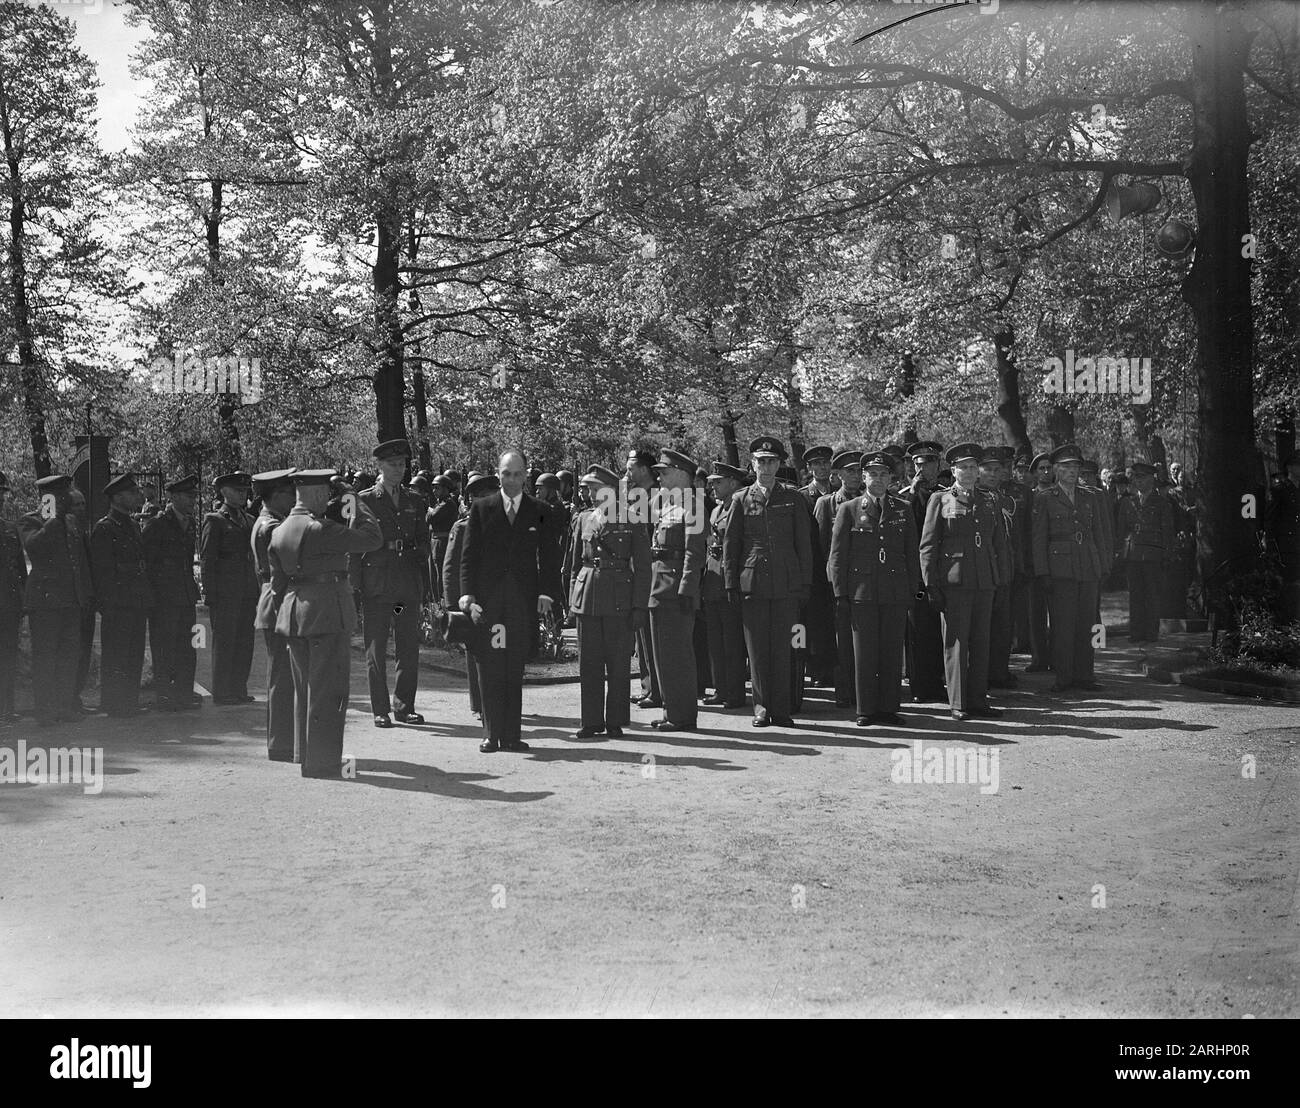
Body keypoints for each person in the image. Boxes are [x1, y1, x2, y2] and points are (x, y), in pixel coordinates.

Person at [270, 469, 382, 778]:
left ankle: (304, 754)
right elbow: (373, 538)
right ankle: (323, 762)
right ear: (318, 493)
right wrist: (354, 498)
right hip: (326, 613)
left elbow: (278, 585)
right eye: (327, 494)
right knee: (329, 690)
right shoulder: (321, 529)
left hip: (294, 614)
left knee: (305, 688)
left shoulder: (280, 529)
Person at [460, 449, 563, 753]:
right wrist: (467, 595)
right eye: (506, 474)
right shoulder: (482, 508)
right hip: (489, 602)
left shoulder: (539, 510)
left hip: (522, 600)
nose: (512, 480)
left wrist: (546, 593)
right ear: (498, 474)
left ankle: (512, 736)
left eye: (518, 474)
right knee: (490, 664)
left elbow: (550, 554)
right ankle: (491, 734)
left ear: (526, 475)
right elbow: (468, 556)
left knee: (514, 666)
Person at [723, 435, 813, 728]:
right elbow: (731, 545)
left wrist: (805, 582)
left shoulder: (793, 498)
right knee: (758, 650)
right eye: (761, 462)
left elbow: (803, 544)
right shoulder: (741, 499)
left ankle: (782, 709)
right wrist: (730, 583)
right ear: (752, 464)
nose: (766, 467)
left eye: (771, 462)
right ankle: (761, 707)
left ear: (779, 464)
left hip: (786, 583)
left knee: (783, 648)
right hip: (753, 584)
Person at [828, 450, 918, 726]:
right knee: (864, 653)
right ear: (864, 477)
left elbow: (911, 553)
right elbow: (837, 555)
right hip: (862, 592)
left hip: (894, 590)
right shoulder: (850, 509)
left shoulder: (903, 508)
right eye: (872, 474)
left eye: (883, 474)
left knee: (891, 651)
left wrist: (912, 590)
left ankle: (888, 708)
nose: (878, 479)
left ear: (891, 478)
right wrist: (840, 593)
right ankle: (866, 709)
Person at [919, 443, 1008, 721]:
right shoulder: (941, 499)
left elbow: (999, 543)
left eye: (972, 467)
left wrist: (1001, 578)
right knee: (956, 642)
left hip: (984, 579)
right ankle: (958, 702)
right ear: (953, 471)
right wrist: (931, 585)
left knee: (981, 641)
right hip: (955, 581)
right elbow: (928, 546)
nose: (968, 472)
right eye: (963, 467)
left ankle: (978, 699)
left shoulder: (989, 500)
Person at [568, 464, 652, 738]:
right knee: (589, 663)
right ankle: (591, 721)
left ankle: (615, 721)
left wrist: (639, 606)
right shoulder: (584, 519)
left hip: (619, 597)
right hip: (588, 596)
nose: (591, 495)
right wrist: (573, 600)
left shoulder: (632, 519)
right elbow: (574, 565)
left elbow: (643, 568)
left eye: (596, 489)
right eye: (589, 490)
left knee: (618, 664)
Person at [352, 439, 430, 728]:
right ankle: (380, 709)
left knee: (407, 645)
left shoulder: (414, 500)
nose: (399, 469)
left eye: (402, 464)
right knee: (376, 647)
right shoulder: (364, 500)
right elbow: (353, 546)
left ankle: (404, 706)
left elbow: (424, 538)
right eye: (393, 464)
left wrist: (419, 554)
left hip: (404, 587)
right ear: (380, 466)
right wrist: (354, 586)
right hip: (377, 585)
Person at [1032, 443, 1108, 694]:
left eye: (1075, 466)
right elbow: (1039, 538)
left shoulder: (1091, 496)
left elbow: (1100, 533)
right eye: (1066, 467)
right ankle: (1063, 677)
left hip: (1088, 564)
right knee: (1063, 625)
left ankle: (1085, 675)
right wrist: (1043, 572)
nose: (1073, 471)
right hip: (1060, 568)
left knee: (1088, 623)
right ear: (1056, 470)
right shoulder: (1045, 498)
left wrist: (1103, 566)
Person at [18, 474, 92, 726]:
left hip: (69, 600)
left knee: (68, 657)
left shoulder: (69, 522)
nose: (63, 500)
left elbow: (78, 561)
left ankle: (64, 707)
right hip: (45, 602)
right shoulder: (31, 520)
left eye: (64, 495)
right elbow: (34, 547)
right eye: (58, 496)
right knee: (46, 657)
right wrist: (53, 519)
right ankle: (45, 711)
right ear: (46, 498)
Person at [645, 449, 708, 732]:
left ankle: (682, 715)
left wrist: (686, 590)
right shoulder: (667, 505)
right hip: (658, 586)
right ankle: (671, 710)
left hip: (676, 589)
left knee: (678, 655)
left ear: (682, 475)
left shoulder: (693, 506)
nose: (659, 477)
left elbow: (694, 553)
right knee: (662, 654)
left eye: (664, 472)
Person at [89, 473, 153, 717]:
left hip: (136, 600)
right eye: (131, 493)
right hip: (118, 603)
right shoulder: (105, 528)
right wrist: (108, 605)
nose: (137, 496)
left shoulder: (133, 525)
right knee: (117, 654)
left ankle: (129, 701)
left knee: (134, 652)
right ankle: (114, 704)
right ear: (117, 497)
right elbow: (102, 572)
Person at [143, 475, 202, 711]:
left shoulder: (189, 523)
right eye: (188, 497)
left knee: (187, 646)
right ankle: (165, 695)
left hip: (185, 595)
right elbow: (148, 562)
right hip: (164, 597)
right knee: (164, 646)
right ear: (174, 497)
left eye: (194, 497)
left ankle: (184, 693)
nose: (193, 501)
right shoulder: (157, 524)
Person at [250, 468, 298, 761]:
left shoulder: (268, 522)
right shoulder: (271, 527)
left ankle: (283, 740)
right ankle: (280, 743)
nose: (294, 498)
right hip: (277, 601)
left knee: (282, 674)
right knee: (282, 676)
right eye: (290, 493)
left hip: (273, 599)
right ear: (277, 495)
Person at [200, 471, 259, 705]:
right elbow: (208, 558)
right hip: (225, 591)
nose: (242, 495)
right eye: (237, 491)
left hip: (247, 589)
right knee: (225, 641)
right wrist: (210, 592)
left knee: (244, 641)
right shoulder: (215, 520)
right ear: (224, 492)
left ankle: (239, 688)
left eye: (245, 491)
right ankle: (223, 691)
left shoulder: (249, 519)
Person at [445, 471, 499, 720]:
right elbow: (450, 567)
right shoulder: (462, 527)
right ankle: (479, 704)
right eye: (485, 496)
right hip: (471, 599)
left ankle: (497, 701)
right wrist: (451, 603)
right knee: (475, 649)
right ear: (474, 499)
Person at [814, 449, 863, 707]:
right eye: (849, 471)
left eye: (858, 471)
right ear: (839, 475)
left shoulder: (871, 500)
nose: (855, 475)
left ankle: (866, 690)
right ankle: (845, 691)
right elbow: (821, 547)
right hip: (839, 583)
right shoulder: (827, 504)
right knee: (842, 639)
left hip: (866, 580)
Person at [902, 440, 946, 702]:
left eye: (929, 463)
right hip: (916, 576)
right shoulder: (904, 495)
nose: (923, 469)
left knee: (940, 631)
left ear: (938, 466)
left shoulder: (946, 493)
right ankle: (920, 685)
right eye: (918, 464)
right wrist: (912, 493)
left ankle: (939, 682)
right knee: (918, 630)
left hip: (942, 571)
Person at [702, 462, 748, 709]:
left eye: (718, 482)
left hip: (730, 580)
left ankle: (735, 692)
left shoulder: (740, 507)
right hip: (713, 579)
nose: (713, 487)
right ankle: (720, 688)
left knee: (732, 641)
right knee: (716, 641)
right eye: (712, 483)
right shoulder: (716, 510)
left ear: (732, 483)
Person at [1118, 460, 1176, 644]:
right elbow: (1121, 530)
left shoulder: (1161, 503)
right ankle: (1136, 632)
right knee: (1135, 594)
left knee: (1152, 594)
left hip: (1153, 554)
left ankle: (1151, 632)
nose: (1139, 481)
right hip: (1133, 554)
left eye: (1142, 477)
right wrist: (1119, 552)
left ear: (1151, 479)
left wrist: (1167, 554)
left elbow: (1167, 531)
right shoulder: (1127, 502)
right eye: (1136, 478)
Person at [624, 447, 662, 708]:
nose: (627, 472)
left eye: (631, 467)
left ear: (645, 469)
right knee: (641, 634)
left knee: (650, 634)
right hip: (635, 571)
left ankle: (658, 689)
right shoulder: (634, 496)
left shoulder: (657, 497)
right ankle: (648, 685)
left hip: (650, 571)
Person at [979, 447, 1018, 689]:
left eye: (997, 469)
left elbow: (1015, 537)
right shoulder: (972, 498)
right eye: (988, 470)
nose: (993, 474)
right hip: (982, 570)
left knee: (1004, 626)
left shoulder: (1007, 499)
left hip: (1005, 569)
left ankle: (1000, 671)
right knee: (983, 627)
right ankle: (982, 674)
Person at [67, 486, 97, 713]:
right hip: (72, 603)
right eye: (75, 504)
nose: (80, 509)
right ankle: (68, 700)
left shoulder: (83, 531)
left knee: (84, 652)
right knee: (72, 653)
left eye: (82, 504)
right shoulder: (65, 532)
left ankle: (75, 698)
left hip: (86, 602)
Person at [1025, 450, 1055, 674]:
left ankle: (1058, 656)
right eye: (1041, 468)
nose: (1045, 472)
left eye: (1048, 468)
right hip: (1033, 562)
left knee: (1058, 613)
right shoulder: (1029, 496)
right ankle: (1038, 658)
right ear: (1035, 473)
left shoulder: (1060, 494)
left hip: (1056, 560)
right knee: (1036, 613)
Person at [0, 472, 26, 723]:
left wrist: (23, 599)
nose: (0, 499)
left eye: (1, 494)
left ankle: (6, 708)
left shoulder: (10, 528)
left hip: (8, 603)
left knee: (7, 656)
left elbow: (19, 568)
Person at [1266, 453, 1300, 621]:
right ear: (1290, 468)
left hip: (1297, 541)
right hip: (1286, 543)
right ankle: (1285, 618)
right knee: (1288, 581)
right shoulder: (1280, 490)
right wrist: (1271, 542)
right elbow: (1271, 519)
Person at [426, 474, 459, 604]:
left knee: (440, 575)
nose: (434, 491)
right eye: (433, 488)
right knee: (435, 575)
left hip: (442, 542)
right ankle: (438, 603)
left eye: (437, 488)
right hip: (436, 541)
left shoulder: (447, 504)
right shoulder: (440, 503)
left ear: (446, 489)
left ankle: (443, 603)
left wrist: (429, 510)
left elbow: (431, 517)